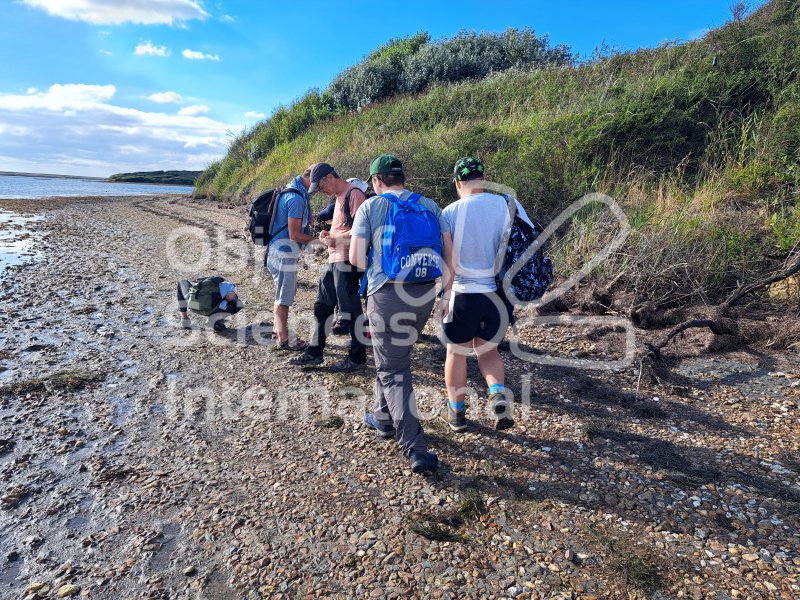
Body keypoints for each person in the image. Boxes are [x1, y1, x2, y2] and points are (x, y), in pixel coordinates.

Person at [349, 154, 451, 474]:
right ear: (402, 178)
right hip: (423, 293)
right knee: (394, 358)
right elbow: (449, 254)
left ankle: (415, 447)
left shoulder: (370, 206)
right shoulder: (431, 206)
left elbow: (356, 260)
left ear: (376, 181)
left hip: (387, 294)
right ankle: (382, 417)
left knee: (394, 369)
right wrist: (446, 294)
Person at [438, 157, 530, 432]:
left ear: (457, 183)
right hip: (497, 296)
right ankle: (499, 396)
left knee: (456, 352)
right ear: (484, 178)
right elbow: (527, 241)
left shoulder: (449, 212)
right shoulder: (507, 203)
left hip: (464, 294)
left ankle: (456, 415)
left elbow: (449, 263)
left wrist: (443, 298)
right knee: (488, 350)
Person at [288, 162, 368, 371]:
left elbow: (362, 232)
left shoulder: (355, 194)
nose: (322, 192)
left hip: (347, 260)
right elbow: (346, 229)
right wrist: (328, 236)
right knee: (322, 306)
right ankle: (314, 353)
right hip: (334, 259)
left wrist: (333, 238)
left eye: (321, 187)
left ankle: (357, 358)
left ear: (329, 178)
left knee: (350, 311)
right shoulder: (340, 197)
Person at [265, 166, 317, 350]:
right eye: (317, 184)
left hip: (275, 250)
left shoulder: (291, 190)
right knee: (284, 297)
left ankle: (277, 330)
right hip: (283, 253)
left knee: (281, 293)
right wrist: (320, 241)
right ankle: (284, 339)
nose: (318, 189)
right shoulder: (296, 199)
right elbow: (295, 235)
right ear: (310, 180)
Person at [176, 277, 243, 331]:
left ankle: (184, 318)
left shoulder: (201, 284)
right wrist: (233, 295)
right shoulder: (227, 284)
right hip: (212, 308)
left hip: (194, 306)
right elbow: (230, 298)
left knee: (182, 282)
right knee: (238, 303)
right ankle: (216, 319)